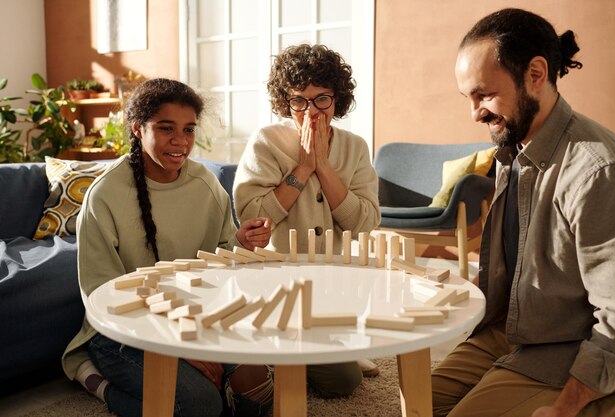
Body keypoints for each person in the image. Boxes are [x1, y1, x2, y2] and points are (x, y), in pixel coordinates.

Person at [431, 8, 615, 417]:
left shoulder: (598, 171)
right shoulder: (512, 149)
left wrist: (566, 406)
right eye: (468, 97)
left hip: (570, 348)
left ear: (536, 74)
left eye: (483, 94)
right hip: (512, 329)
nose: (475, 112)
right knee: (412, 400)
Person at [61, 78, 274, 417]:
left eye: (188, 130)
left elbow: (221, 255)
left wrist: (241, 243)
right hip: (121, 332)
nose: (180, 141)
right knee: (202, 405)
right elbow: (103, 296)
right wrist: (178, 348)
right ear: (137, 129)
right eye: (165, 128)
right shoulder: (104, 196)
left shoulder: (206, 186)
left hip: (197, 317)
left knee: (262, 387)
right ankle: (99, 385)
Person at [233, 44, 382, 394]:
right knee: (339, 380)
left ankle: (331, 344)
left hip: (337, 290)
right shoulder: (266, 142)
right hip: (279, 291)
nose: (310, 112)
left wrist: (324, 167)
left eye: (321, 100)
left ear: (337, 99)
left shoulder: (355, 147)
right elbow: (252, 215)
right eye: (299, 100)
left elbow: (365, 222)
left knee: (344, 378)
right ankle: (276, 347)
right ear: (286, 102)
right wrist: (302, 168)